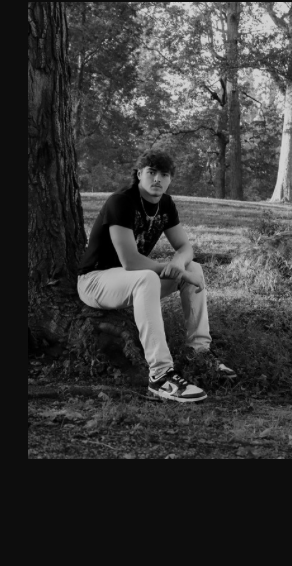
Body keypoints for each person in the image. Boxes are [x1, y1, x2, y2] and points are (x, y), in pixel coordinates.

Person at [76, 151, 238, 402]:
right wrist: (175, 270)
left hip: (131, 282)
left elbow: (185, 248)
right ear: (139, 174)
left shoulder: (166, 204)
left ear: (170, 179)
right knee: (148, 277)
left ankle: (200, 352)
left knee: (194, 268)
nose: (157, 179)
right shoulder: (121, 201)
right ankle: (160, 375)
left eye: (164, 174)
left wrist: (179, 263)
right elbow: (130, 262)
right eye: (151, 172)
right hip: (96, 281)